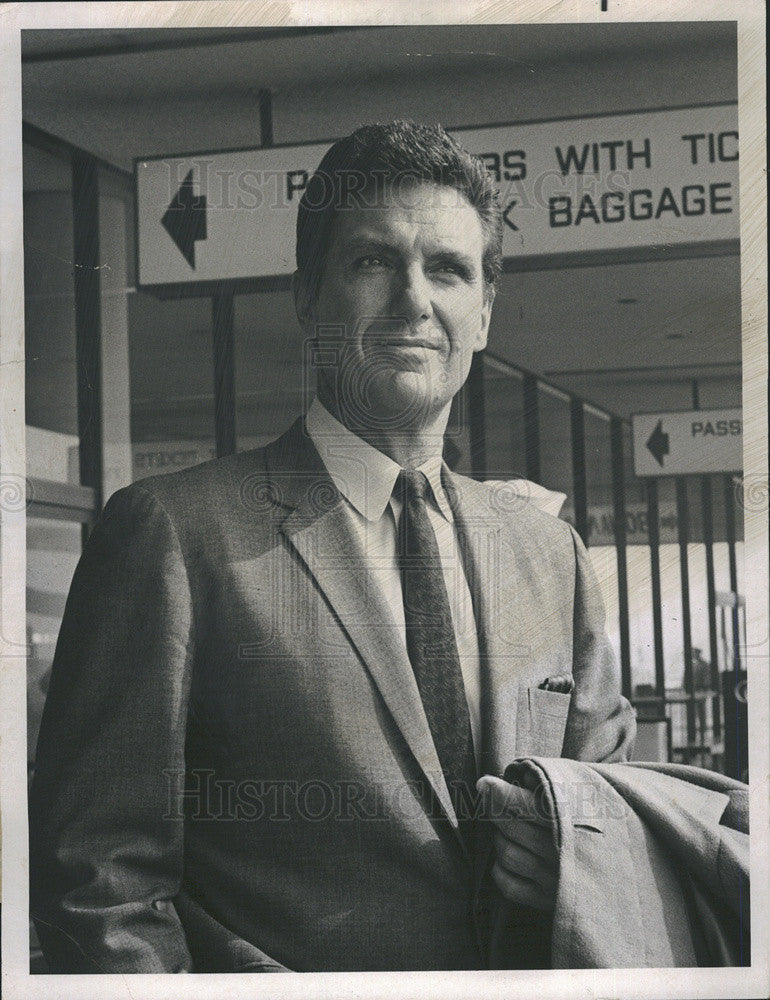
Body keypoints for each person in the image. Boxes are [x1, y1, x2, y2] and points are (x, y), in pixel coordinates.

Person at [29, 120, 636, 974]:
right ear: (307, 297)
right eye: (371, 262)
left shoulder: (551, 555)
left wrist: (578, 857)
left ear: (486, 313)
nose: (413, 302)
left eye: (448, 270)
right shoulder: (174, 536)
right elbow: (99, 880)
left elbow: (618, 812)